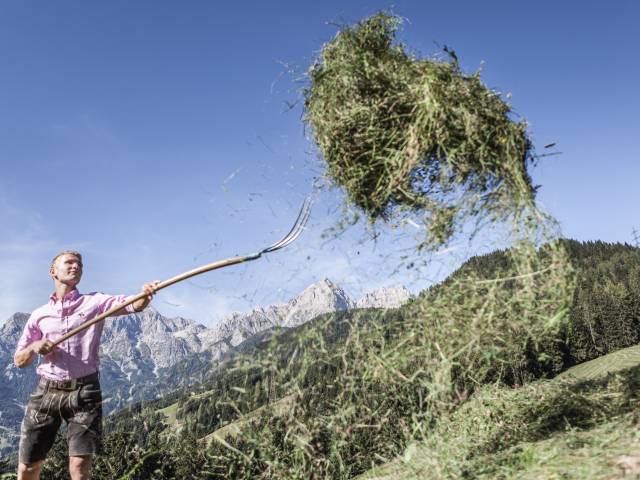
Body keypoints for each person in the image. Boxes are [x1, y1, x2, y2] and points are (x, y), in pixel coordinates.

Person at [13, 250, 160, 480]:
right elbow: (19, 361)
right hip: (46, 393)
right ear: (53, 271)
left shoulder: (96, 302)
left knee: (80, 470)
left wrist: (145, 295)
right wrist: (35, 347)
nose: (76, 267)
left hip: (85, 392)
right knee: (28, 468)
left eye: (79, 264)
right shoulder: (39, 316)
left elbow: (132, 305)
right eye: (69, 263)